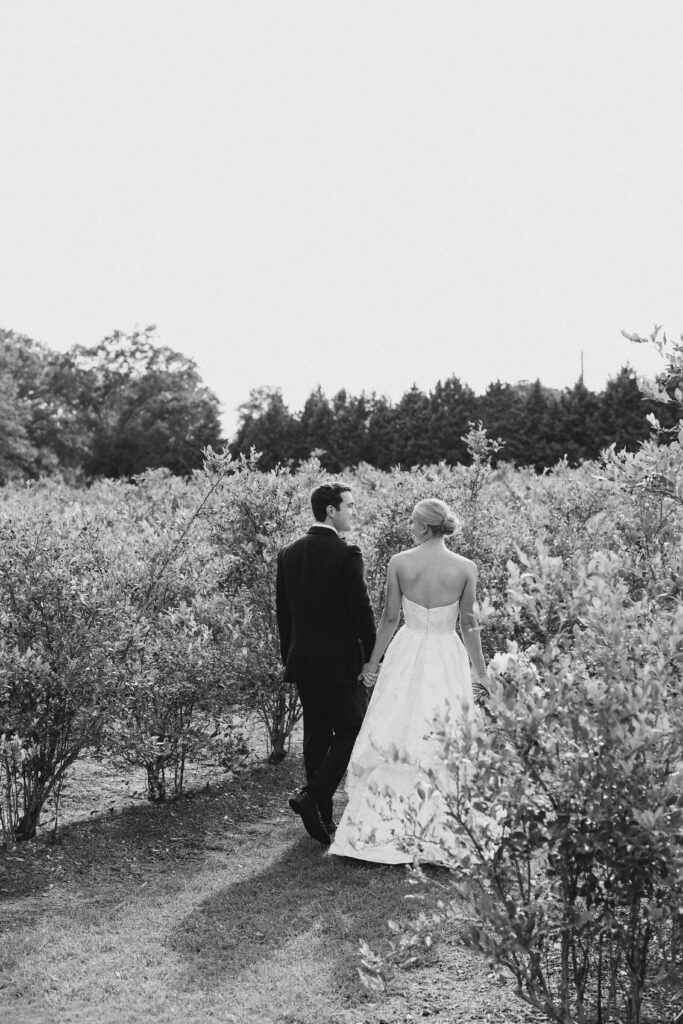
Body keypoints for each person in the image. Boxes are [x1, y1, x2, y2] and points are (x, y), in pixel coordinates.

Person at [329, 497, 490, 865]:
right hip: (447, 654)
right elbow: (469, 623)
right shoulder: (466, 567)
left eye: (412, 521)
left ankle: (382, 827)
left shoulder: (400, 562)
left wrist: (373, 663)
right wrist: (479, 671)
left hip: (407, 650)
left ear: (421, 527)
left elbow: (389, 618)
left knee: (397, 725)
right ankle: (444, 832)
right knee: (443, 730)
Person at [276, 481, 376, 846]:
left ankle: (320, 817)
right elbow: (361, 614)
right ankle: (312, 796)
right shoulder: (347, 554)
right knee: (354, 728)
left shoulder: (288, 552)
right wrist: (370, 659)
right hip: (340, 664)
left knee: (317, 735)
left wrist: (289, 655)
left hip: (303, 661)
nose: (352, 511)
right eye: (349, 505)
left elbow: (283, 615)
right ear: (331, 510)